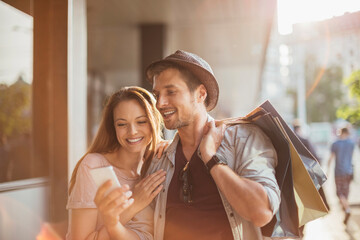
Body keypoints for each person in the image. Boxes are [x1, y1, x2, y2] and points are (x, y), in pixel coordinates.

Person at [145, 50, 280, 240]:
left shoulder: (243, 140)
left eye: (171, 92)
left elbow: (261, 212)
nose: (160, 103)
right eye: (157, 94)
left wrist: (211, 158)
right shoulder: (160, 159)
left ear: (200, 94)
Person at [66, 86, 168, 239]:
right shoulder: (95, 167)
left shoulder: (157, 165)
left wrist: (171, 147)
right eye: (122, 124)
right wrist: (134, 204)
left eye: (141, 122)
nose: (132, 131)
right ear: (113, 127)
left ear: (154, 122)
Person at [328, 126, 355, 225]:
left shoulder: (335, 144)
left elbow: (331, 158)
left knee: (339, 193)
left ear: (340, 132)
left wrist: (327, 169)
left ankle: (347, 209)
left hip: (339, 172)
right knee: (346, 193)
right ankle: (345, 212)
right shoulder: (351, 143)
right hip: (349, 171)